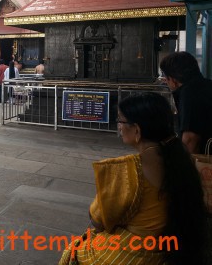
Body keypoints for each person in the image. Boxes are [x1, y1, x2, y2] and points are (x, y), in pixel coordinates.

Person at [59, 92, 209, 265]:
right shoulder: (182, 160)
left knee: (73, 250)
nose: (119, 127)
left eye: (121, 121)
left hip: (132, 254)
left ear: (137, 129)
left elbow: (97, 221)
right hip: (165, 252)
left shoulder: (129, 170)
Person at [160, 51, 212, 154]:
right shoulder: (208, 85)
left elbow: (190, 139)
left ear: (173, 79)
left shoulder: (189, 93)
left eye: (166, 78)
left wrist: (183, 167)